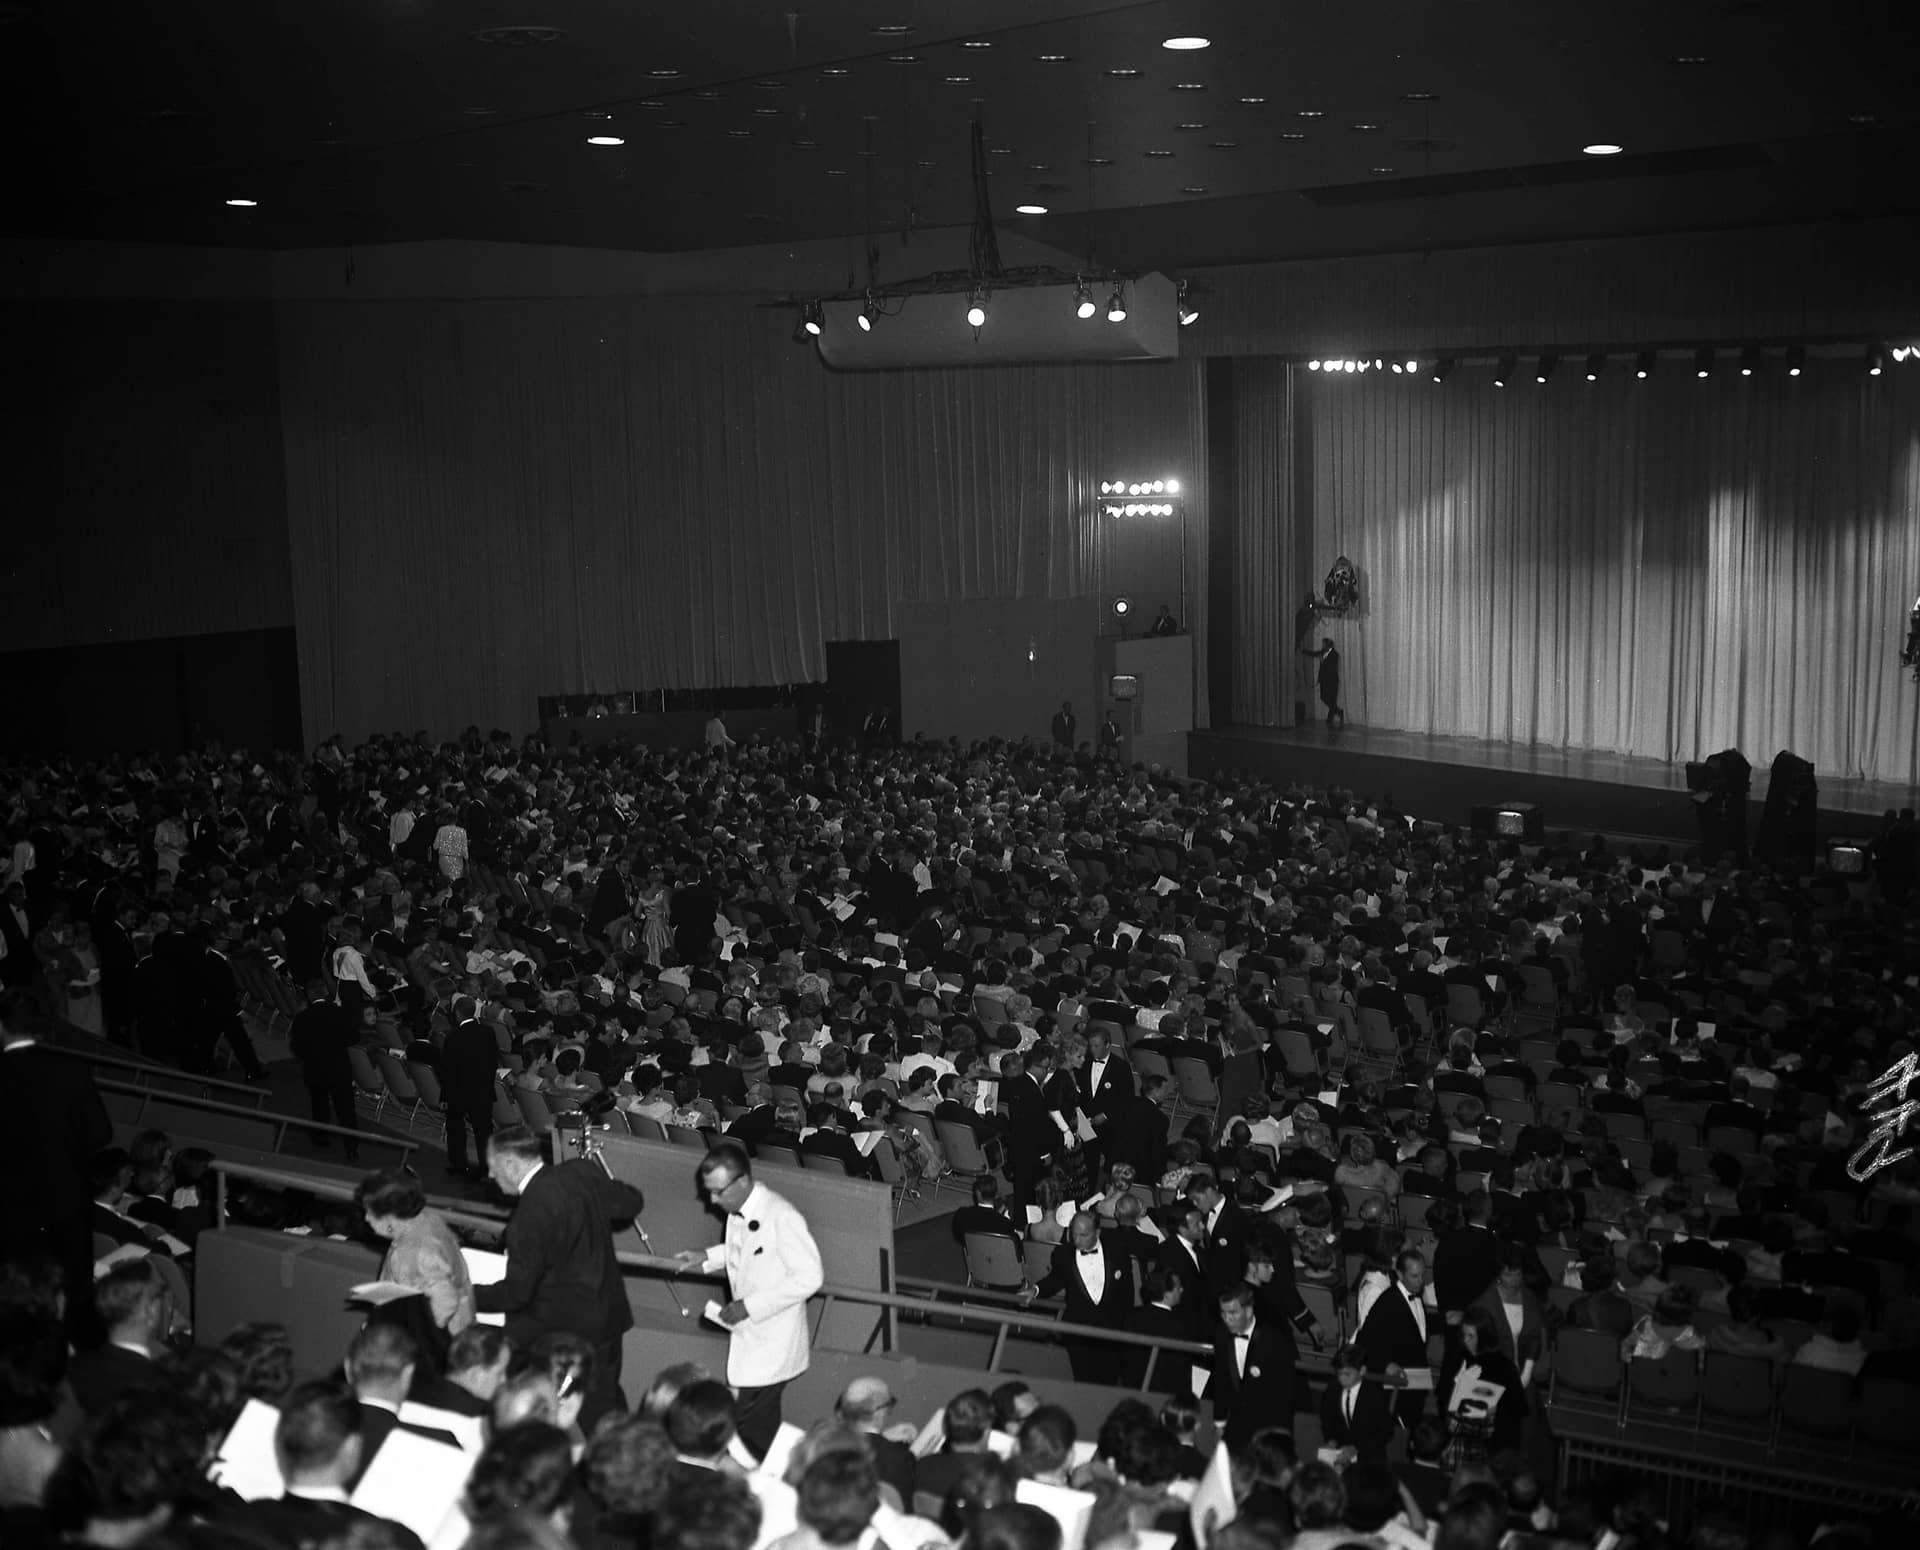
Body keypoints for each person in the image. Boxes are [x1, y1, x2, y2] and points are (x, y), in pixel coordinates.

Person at [475, 1124, 646, 1430]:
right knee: (607, 1404)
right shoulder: (579, 1172)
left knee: (581, 1412)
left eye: (491, 1168)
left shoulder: (527, 1216)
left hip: (568, 1333)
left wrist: (468, 1291)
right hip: (609, 1315)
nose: (489, 1176)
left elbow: (517, 1294)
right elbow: (631, 1202)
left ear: (511, 1165)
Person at [674, 1141, 824, 1461]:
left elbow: (810, 1277)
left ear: (742, 1181)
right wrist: (707, 1257)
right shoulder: (739, 1210)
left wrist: (749, 1306)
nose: (711, 1200)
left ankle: (769, 1484)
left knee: (747, 1427)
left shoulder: (782, 1216)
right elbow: (745, 1250)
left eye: (717, 1191)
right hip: (753, 1340)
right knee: (757, 1429)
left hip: (774, 1343)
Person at [355, 1168, 476, 1339]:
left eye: (370, 1212)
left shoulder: (411, 1253)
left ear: (389, 1216)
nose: (366, 1218)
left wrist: (407, 1338)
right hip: (462, 1327)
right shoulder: (426, 1220)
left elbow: (446, 1302)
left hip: (440, 1344)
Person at [289, 979, 361, 1158]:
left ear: (308, 996)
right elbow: (353, 1037)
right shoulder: (340, 1013)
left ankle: (322, 1137)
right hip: (339, 1067)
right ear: (326, 993)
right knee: (345, 1109)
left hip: (315, 1067)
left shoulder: (301, 1018)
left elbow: (296, 1048)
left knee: (319, 1103)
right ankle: (351, 1147)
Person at [1301, 635, 1345, 728]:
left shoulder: (1335, 655)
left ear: (1328, 645)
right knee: (1324, 697)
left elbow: (1332, 668)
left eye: (1324, 644)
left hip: (1332, 681)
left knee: (1331, 700)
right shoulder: (1322, 652)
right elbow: (1314, 653)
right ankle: (1338, 713)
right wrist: (1303, 651)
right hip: (1324, 680)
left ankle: (1332, 718)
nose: (1322, 645)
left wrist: (1322, 662)